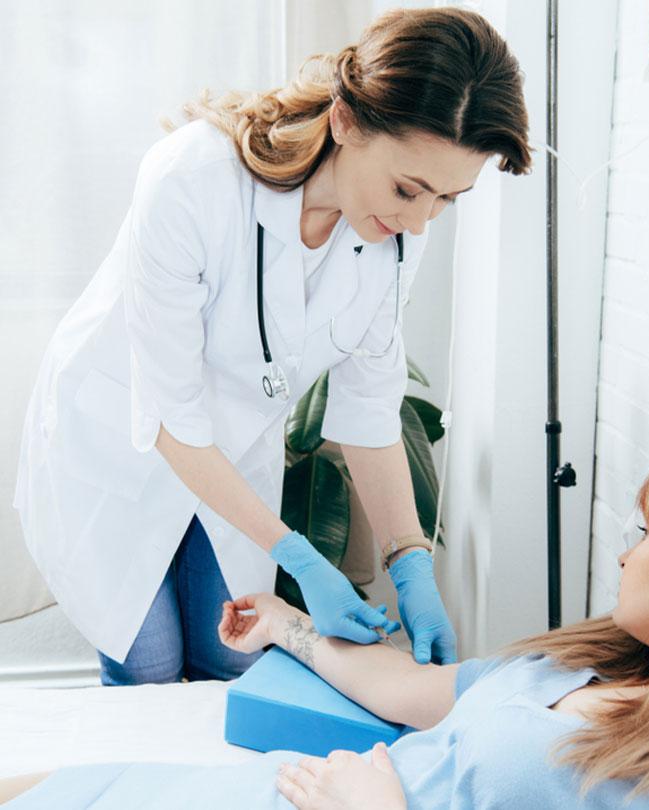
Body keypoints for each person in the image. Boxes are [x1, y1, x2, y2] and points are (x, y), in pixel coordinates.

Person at [12, 6, 531, 685]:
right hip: (121, 443)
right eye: (408, 188)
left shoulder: (398, 236)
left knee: (230, 654)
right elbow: (169, 416)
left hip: (229, 455)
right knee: (150, 666)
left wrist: (411, 563)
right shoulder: (193, 180)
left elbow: (369, 410)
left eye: (446, 199)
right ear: (347, 121)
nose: (418, 218)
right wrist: (303, 560)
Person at [4, 443, 649, 808]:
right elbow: (406, 687)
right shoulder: (594, 664)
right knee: (61, 788)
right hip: (271, 791)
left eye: (647, 529)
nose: (625, 550)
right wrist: (287, 625)